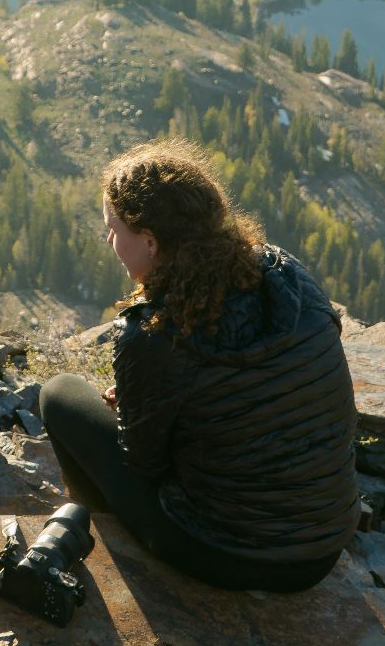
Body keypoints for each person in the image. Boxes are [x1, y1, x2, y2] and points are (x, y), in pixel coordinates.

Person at [38, 138, 358, 592]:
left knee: (60, 394)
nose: (109, 239)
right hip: (323, 549)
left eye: (113, 228)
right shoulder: (286, 277)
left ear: (149, 241)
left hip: (229, 555)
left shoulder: (153, 335)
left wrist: (138, 410)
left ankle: (107, 539)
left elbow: (145, 467)